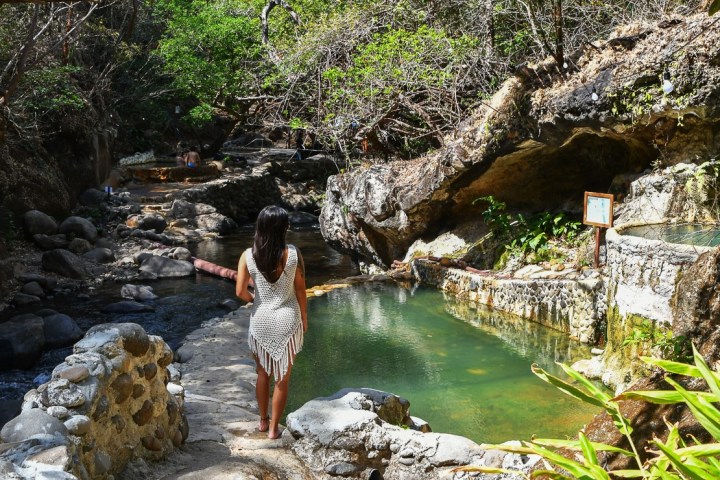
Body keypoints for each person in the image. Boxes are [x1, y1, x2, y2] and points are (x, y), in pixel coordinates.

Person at [235, 206, 308, 439]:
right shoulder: (293, 254)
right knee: (282, 379)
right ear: (282, 228)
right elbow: (300, 290)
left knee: (262, 373)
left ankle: (263, 422)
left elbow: (239, 292)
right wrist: (305, 319)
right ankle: (275, 429)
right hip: (288, 319)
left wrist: (255, 299)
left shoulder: (247, 255)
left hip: (262, 320)